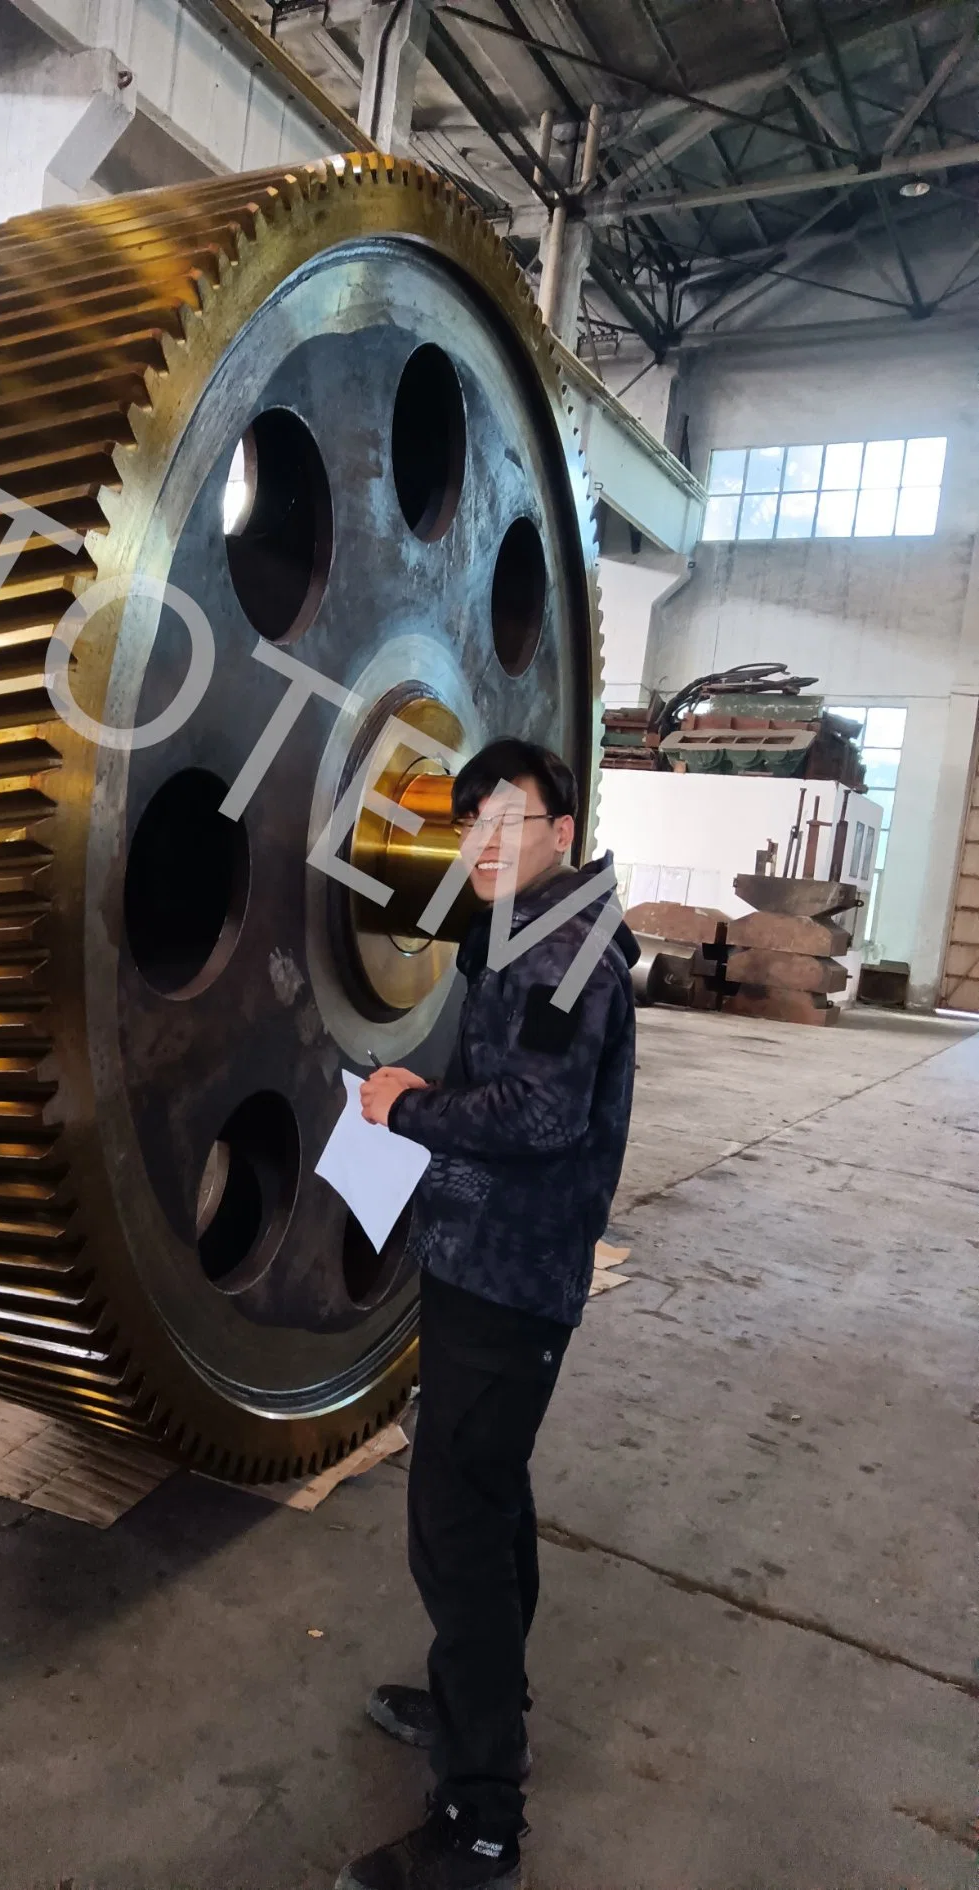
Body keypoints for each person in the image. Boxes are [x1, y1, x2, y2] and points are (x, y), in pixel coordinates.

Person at [335, 737, 637, 1890]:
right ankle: (484, 1709)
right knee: (490, 1494)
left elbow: (541, 1116)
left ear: (560, 832)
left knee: (455, 1525)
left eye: (505, 822)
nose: (479, 844)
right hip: (481, 1259)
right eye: (468, 825)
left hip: (511, 1278)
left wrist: (411, 1108)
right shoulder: (530, 929)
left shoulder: (570, 951)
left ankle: (481, 1822)